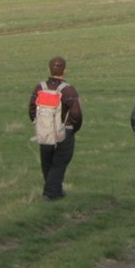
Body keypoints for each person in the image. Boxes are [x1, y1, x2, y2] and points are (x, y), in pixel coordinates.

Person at [28, 56, 83, 200]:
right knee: (60, 162)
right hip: (64, 131)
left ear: (49, 69)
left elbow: (32, 108)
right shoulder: (68, 90)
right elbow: (76, 113)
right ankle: (51, 193)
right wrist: (72, 129)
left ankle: (55, 191)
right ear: (65, 70)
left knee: (47, 161)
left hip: (44, 130)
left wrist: (38, 124)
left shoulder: (39, 87)